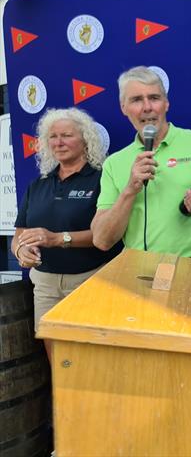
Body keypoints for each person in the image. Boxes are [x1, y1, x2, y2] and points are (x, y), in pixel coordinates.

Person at [91, 66, 191, 259]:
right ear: (124, 107)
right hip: (137, 271)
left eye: (154, 98)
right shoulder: (114, 163)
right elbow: (102, 240)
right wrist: (130, 189)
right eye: (137, 99)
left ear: (166, 104)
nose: (147, 107)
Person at [11, 108, 121, 359]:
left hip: (91, 281)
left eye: (67, 135)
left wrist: (58, 238)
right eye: (53, 136)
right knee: (58, 360)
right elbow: (20, 234)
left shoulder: (103, 179)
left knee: (92, 358)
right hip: (45, 284)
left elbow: (108, 234)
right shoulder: (38, 184)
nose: (59, 142)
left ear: (85, 140)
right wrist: (20, 249)